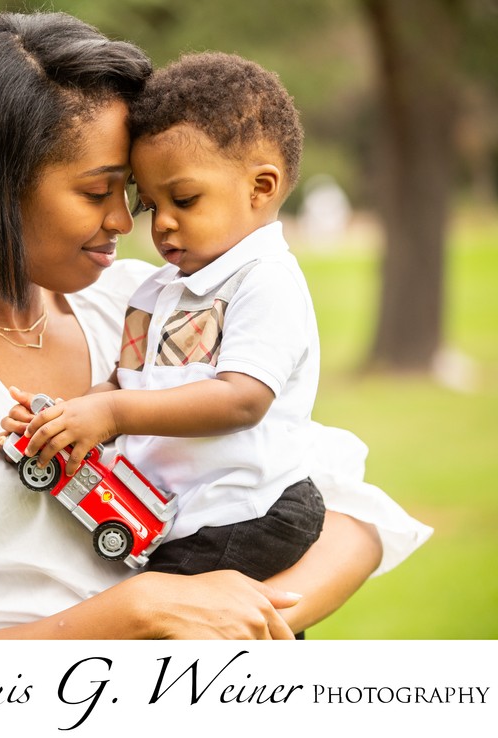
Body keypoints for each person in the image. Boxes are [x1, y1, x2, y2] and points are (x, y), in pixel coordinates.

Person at [0, 11, 430, 640]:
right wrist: (141, 611)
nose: (124, 221)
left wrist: (247, 623)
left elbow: (343, 508)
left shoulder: (139, 303)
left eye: (134, 194)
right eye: (96, 192)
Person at [17, 51, 324, 582]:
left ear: (261, 187)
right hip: (185, 517)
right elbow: (126, 382)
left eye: (184, 199)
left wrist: (113, 414)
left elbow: (241, 400)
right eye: (151, 204)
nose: (162, 224)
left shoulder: (264, 281)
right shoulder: (156, 289)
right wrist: (66, 419)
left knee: (174, 620)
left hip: (248, 511)